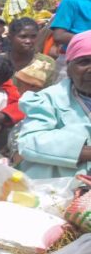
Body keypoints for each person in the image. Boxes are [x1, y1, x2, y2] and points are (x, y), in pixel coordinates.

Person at [14, 30, 91, 179]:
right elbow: (29, 142)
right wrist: (84, 152)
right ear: (69, 68)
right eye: (84, 62)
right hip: (57, 189)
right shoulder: (48, 99)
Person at [7, 18, 57, 89]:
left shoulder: (46, 63)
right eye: (23, 36)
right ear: (10, 38)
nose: (28, 41)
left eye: (33, 36)